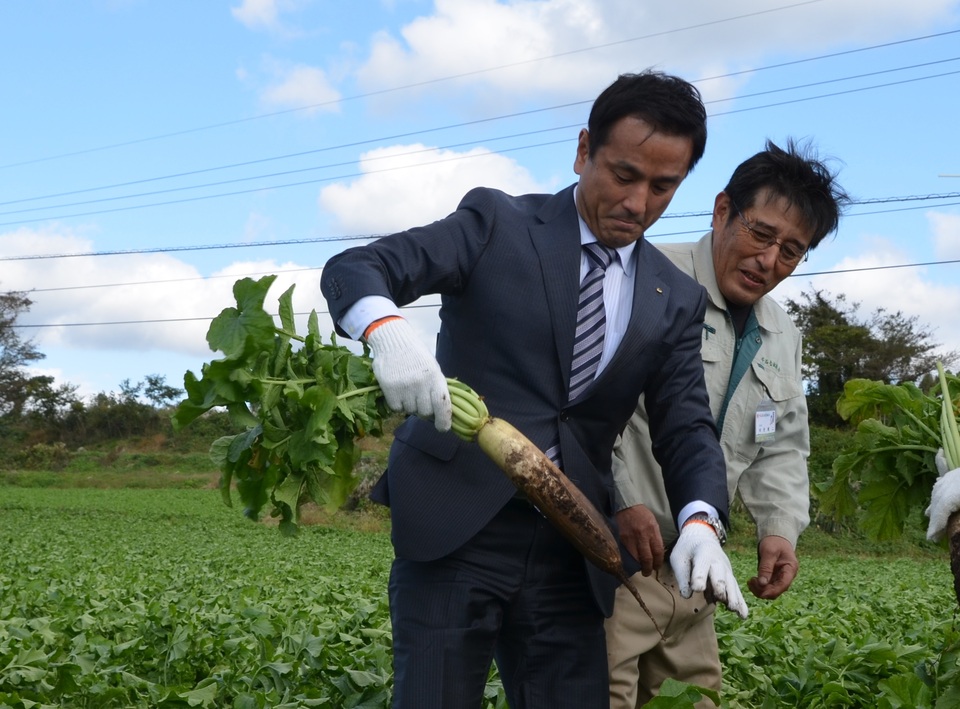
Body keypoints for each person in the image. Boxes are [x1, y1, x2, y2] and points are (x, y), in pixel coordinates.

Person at [320, 70, 747, 709]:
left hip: (573, 544)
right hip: (457, 522)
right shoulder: (497, 223)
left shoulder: (674, 296)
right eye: (624, 175)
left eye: (664, 186)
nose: (638, 202)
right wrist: (385, 328)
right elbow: (359, 266)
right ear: (583, 152)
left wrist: (701, 519)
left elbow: (685, 424)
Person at [605, 139, 849, 709]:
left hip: (696, 574)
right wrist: (617, 497)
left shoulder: (781, 335)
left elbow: (781, 445)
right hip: (610, 558)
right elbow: (584, 404)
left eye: (792, 251)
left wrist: (779, 528)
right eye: (760, 235)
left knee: (694, 701)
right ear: (721, 211)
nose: (769, 261)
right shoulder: (643, 276)